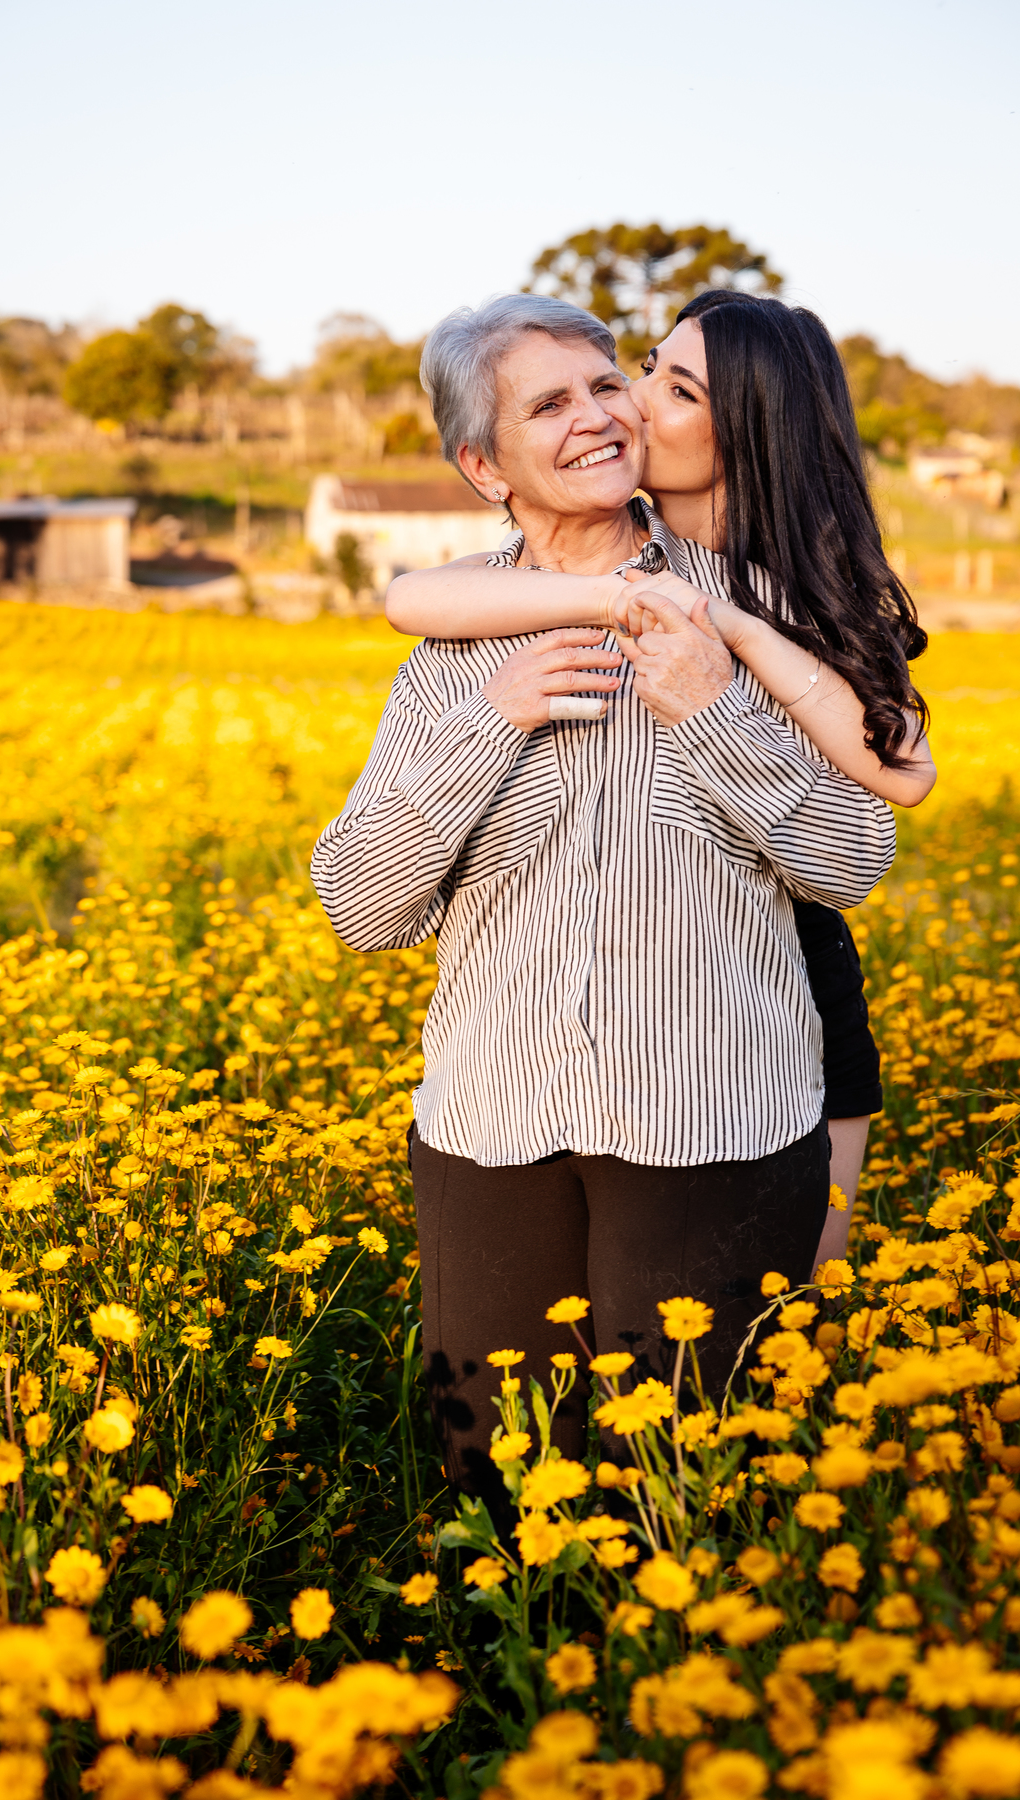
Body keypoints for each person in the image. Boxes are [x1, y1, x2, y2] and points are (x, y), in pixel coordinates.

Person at [312, 293, 897, 1515]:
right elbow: (363, 907)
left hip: (714, 1127)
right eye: (548, 404)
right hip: (491, 1129)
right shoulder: (454, 652)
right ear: (484, 467)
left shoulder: (750, 609)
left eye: (603, 384)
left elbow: (852, 859)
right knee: (492, 1496)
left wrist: (716, 712)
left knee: (685, 1498)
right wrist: (491, 721)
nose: (596, 415)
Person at [385, 290, 935, 1276]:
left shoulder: (783, 598)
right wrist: (607, 604)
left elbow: (896, 784)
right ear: (484, 465)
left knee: (801, 1309)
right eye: (644, 368)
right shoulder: (513, 608)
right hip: (518, 1106)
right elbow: (410, 598)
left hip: (777, 1003)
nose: (627, 405)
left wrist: (731, 652)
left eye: (671, 391)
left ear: (744, 437)